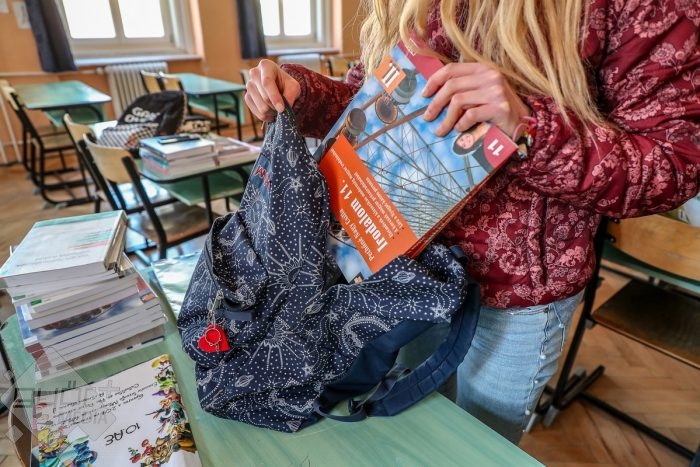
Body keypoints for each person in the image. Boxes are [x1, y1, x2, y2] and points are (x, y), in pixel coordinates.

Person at [244, 0, 699, 444]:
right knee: (406, 433)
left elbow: (675, 164)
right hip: (404, 272)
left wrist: (528, 127)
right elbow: (374, 99)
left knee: (477, 447)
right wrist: (303, 96)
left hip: (516, 295)